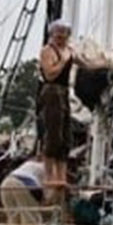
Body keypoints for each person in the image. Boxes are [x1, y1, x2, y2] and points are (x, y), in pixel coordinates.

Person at [38, 19, 85, 205]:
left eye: (64, 33)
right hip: (51, 91)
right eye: (57, 33)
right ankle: (50, 176)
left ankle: (62, 176)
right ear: (52, 34)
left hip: (64, 92)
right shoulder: (48, 51)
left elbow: (84, 61)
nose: (60, 37)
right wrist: (64, 60)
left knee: (65, 136)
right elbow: (50, 74)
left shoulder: (69, 51)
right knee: (53, 134)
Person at [0, 157, 47, 225]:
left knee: (14, 219)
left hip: (6, 182)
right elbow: (44, 193)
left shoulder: (28, 164)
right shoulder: (45, 168)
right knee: (31, 219)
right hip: (22, 183)